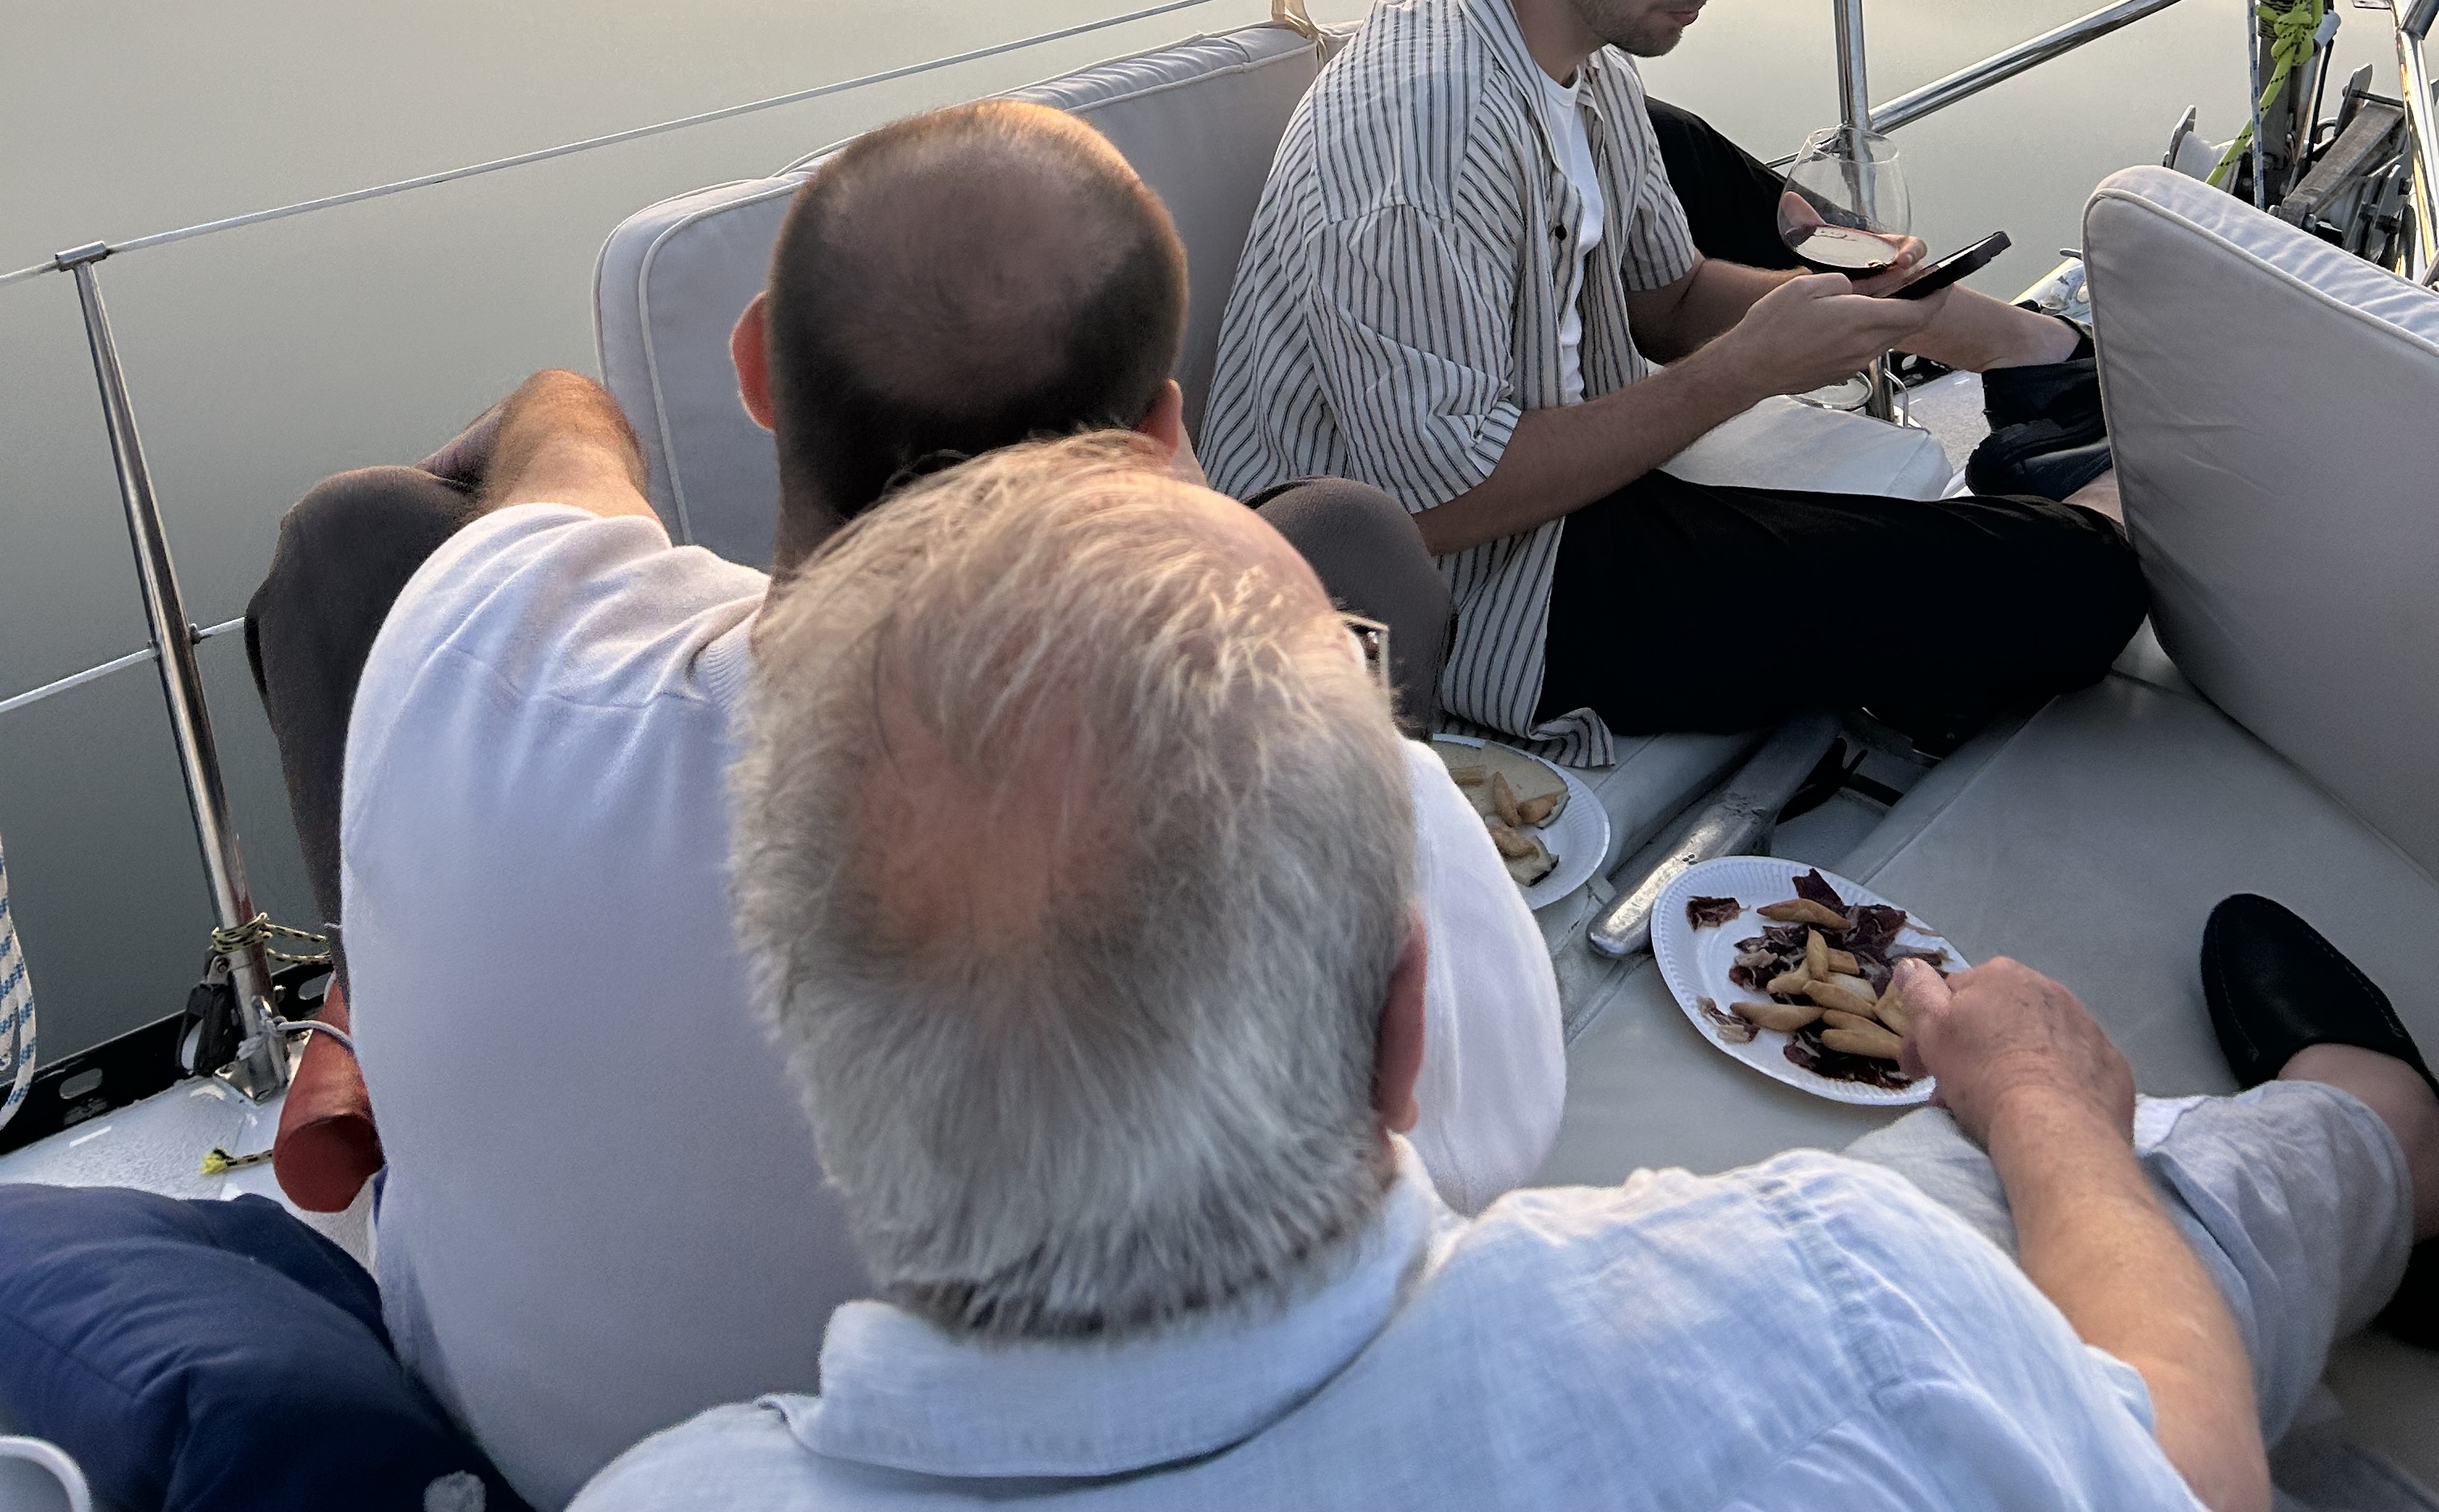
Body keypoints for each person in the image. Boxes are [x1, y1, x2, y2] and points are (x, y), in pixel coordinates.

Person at [569, 439, 2436, 1512]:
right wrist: (2047, 1117)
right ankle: (2388, 1128)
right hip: (1952, 1262)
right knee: (2116, 1180)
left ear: (808, 1042)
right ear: (1406, 1026)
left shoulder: (662, 1499)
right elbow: (2193, 1479)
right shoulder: (1821, 1309)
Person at [308, 102, 1561, 1512]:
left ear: (755, 367)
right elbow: (1493, 1141)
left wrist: (563, 400)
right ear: (1159, 435)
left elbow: (558, 487)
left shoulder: (479, 657)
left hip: (514, 1441)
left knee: (354, 527)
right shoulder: (1369, 821)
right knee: (1341, 538)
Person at [1201, 0, 2146, 756]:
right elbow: (1443, 501)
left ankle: (2050, 412)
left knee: (1697, 161)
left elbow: (1669, 297)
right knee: (2079, 590)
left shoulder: (1576, 57)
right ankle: (2119, 481)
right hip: (1451, 596)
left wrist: (1835, 316)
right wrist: (1743, 370)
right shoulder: (1422, 138)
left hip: (1561, 502)